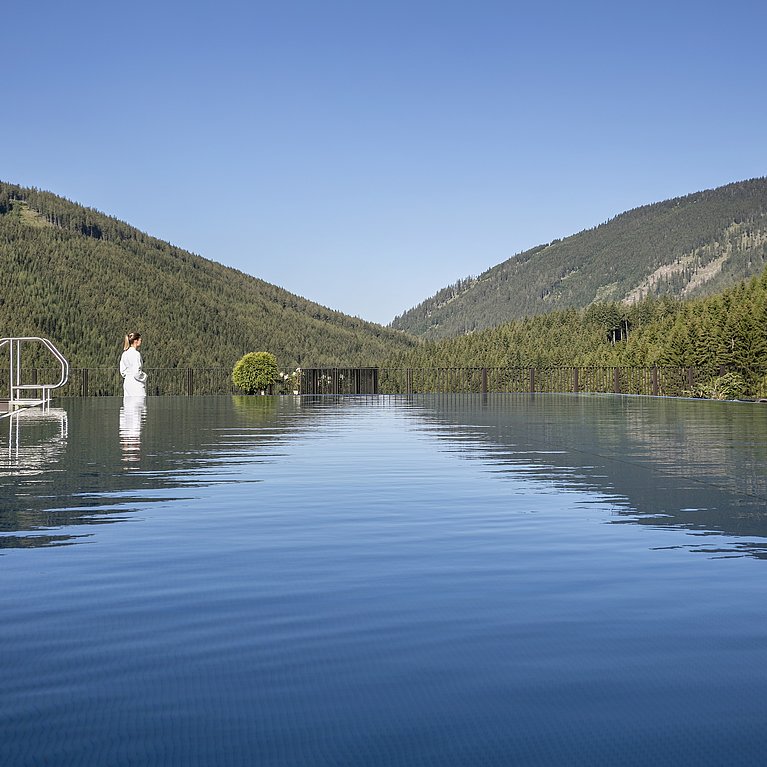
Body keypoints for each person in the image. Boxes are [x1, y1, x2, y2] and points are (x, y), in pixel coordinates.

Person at [120, 331, 148, 396]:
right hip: (136, 385)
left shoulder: (124, 354)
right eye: (140, 339)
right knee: (139, 404)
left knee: (128, 404)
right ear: (136, 341)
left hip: (127, 383)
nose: (141, 341)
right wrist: (144, 376)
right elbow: (136, 373)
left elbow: (122, 371)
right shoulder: (136, 354)